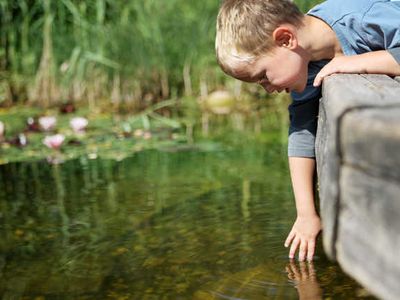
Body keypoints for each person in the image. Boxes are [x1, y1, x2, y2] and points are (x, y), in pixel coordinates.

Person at [215, 0, 400, 261]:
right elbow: (302, 128)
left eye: (263, 76)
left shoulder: (364, 17)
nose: (267, 89)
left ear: (286, 39)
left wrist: (361, 62)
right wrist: (306, 214)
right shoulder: (309, 60)